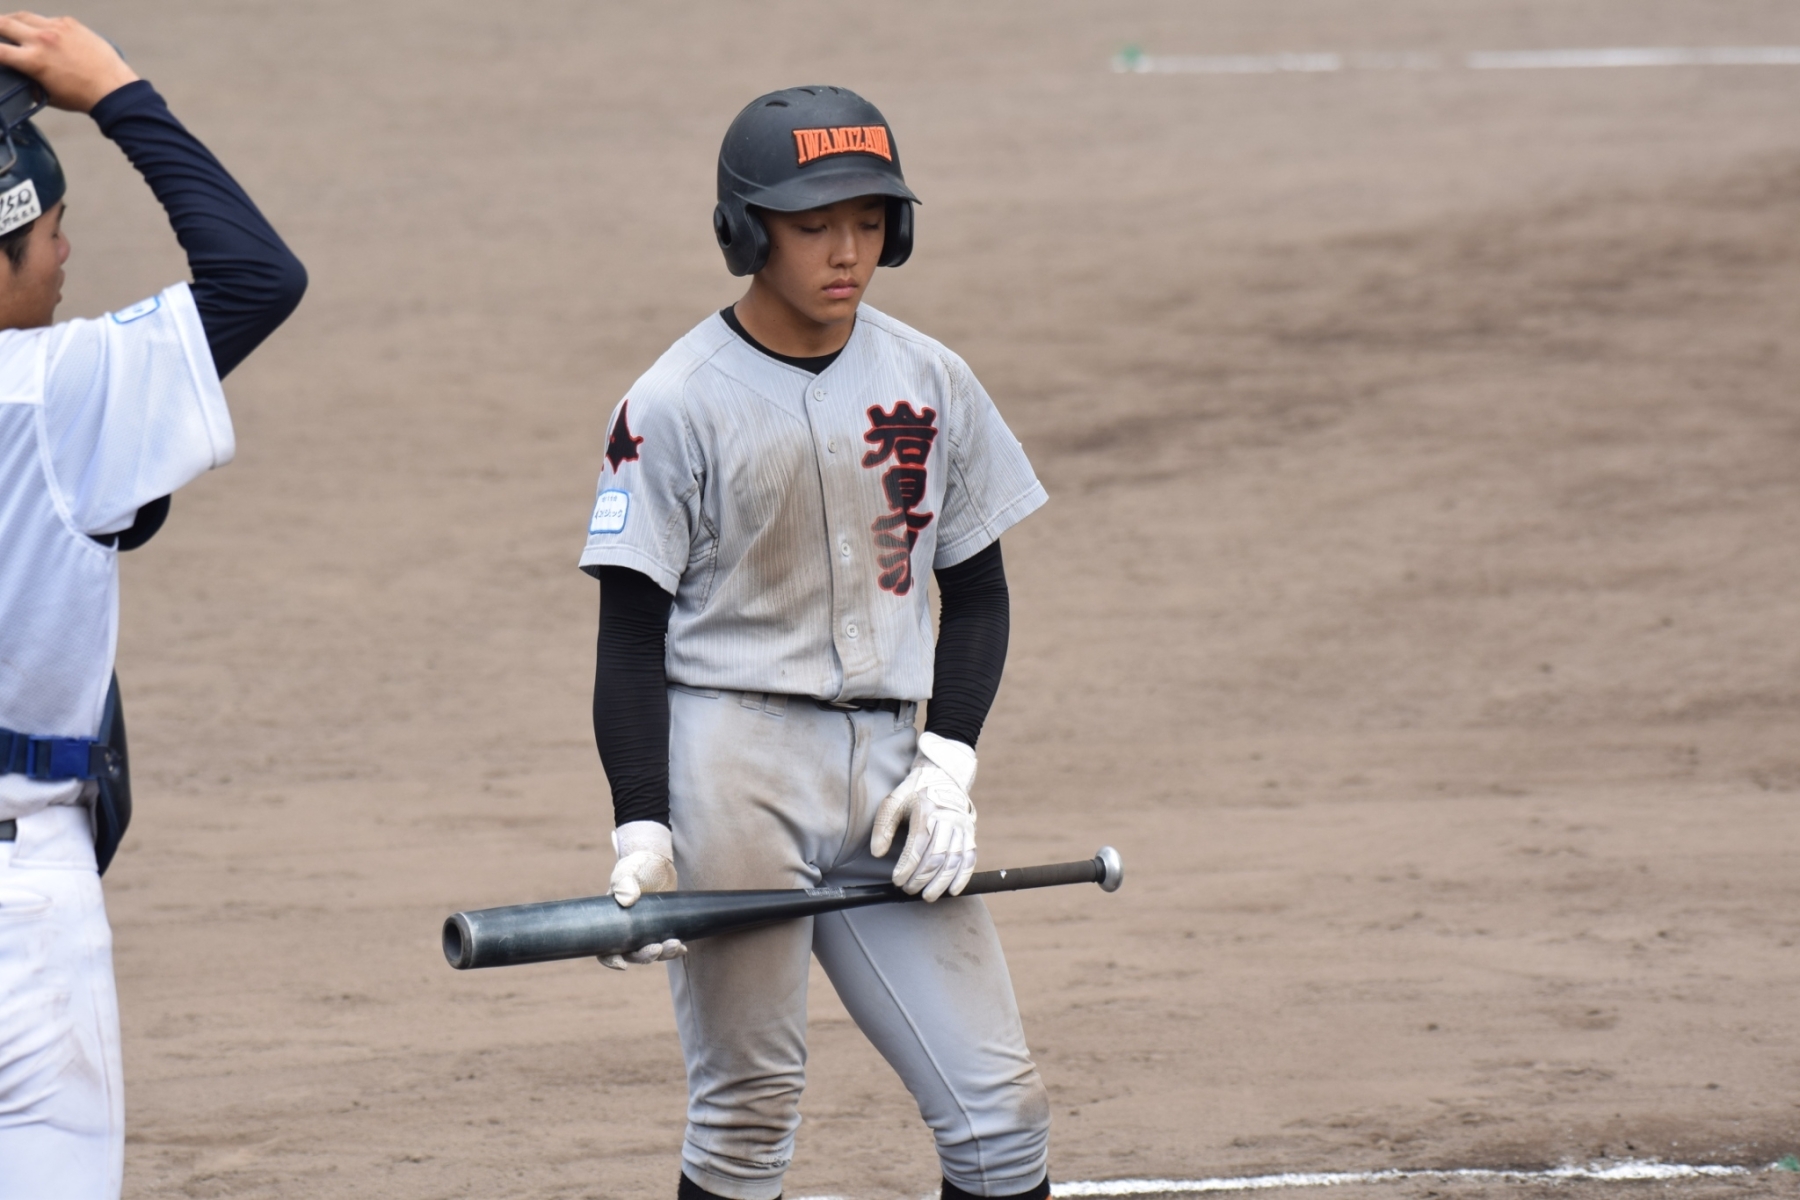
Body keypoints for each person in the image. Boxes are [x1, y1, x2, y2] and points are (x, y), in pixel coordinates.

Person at [580, 85, 1051, 1200]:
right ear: (747, 231)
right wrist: (644, 828)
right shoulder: (675, 401)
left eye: (871, 221)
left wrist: (948, 762)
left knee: (1003, 1117)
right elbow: (630, 637)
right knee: (747, 1118)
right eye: (813, 226)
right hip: (735, 777)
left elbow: (977, 593)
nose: (848, 253)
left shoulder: (930, 378)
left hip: (892, 775)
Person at [0, 13, 305, 1198]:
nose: (67, 253)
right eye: (53, 231)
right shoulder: (56, 392)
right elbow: (257, 276)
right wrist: (118, 93)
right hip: (23, 903)